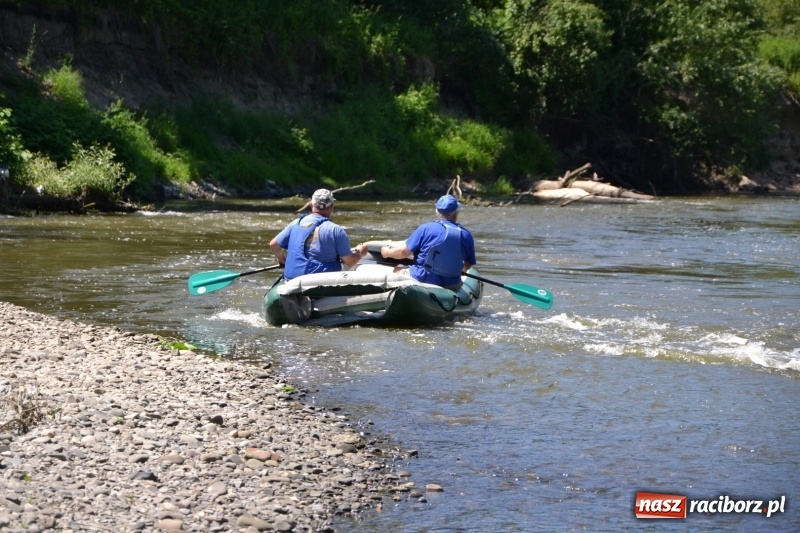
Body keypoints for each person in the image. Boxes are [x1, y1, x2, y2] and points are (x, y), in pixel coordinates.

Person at [381, 194, 476, 291]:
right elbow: (468, 264)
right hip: (452, 285)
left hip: (423, 278)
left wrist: (387, 252)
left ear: (437, 212)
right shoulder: (466, 235)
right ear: (455, 214)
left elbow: (404, 253)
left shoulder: (425, 228)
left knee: (398, 268)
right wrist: (457, 270)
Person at [270, 189, 366, 281]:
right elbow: (350, 261)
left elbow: (273, 244)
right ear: (332, 207)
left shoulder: (296, 223)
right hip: (319, 282)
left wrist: (283, 260)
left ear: (311, 204)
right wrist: (360, 252)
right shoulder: (336, 230)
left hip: (291, 278)